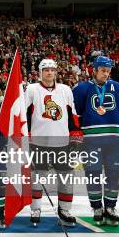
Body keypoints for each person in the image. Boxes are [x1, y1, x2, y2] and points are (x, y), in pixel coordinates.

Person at [73, 56, 119, 226]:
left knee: (113, 174)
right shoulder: (81, 88)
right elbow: (76, 115)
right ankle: (96, 207)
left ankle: (110, 207)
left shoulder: (116, 87)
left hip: (114, 139)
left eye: (108, 71)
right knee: (93, 174)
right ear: (94, 70)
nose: (106, 74)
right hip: (90, 140)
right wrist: (75, 135)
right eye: (103, 70)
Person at [25, 59, 82, 227]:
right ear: (40, 72)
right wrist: (26, 136)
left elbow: (72, 114)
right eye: (46, 69)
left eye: (52, 69)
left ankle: (64, 210)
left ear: (56, 72)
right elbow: (25, 115)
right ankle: (35, 209)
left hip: (63, 143)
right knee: (37, 178)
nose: (49, 72)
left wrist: (75, 134)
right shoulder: (32, 89)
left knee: (66, 178)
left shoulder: (65, 90)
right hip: (38, 142)